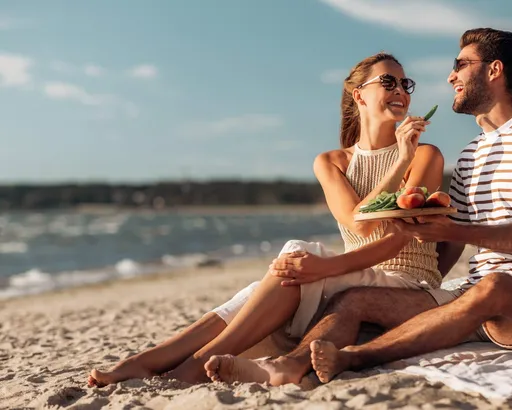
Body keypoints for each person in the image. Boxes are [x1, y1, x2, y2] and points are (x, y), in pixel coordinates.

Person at [203, 27, 512, 385]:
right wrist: (425, 288)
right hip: (469, 295)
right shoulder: (470, 156)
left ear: (495, 70)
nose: (451, 77)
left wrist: (451, 230)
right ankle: (290, 365)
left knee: (494, 286)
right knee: (354, 299)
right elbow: (449, 247)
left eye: (461, 65)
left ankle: (354, 357)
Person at [87, 52, 447, 387]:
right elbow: (357, 223)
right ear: (359, 95)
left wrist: (403, 159)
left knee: (292, 259)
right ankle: (150, 359)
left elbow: (395, 238)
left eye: (405, 84)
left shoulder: (425, 156)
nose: (400, 91)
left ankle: (186, 364)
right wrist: (324, 267)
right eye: (388, 82)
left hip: (406, 281)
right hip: (349, 274)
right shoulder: (331, 162)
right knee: (268, 282)